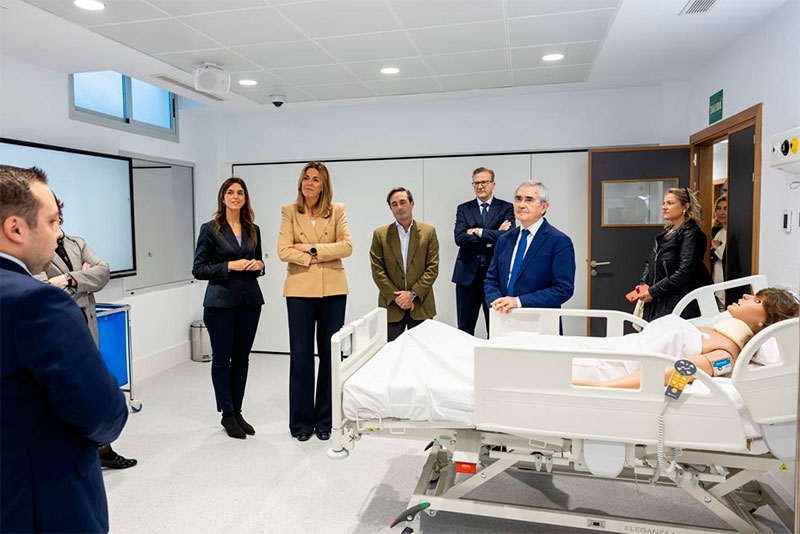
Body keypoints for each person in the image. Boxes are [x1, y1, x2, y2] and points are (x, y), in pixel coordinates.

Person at [1, 165, 128, 533]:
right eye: (52, 221)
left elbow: (102, 270)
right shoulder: (37, 303)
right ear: (16, 229)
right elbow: (104, 412)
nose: (59, 233)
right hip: (41, 501)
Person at [35, 196, 137, 469]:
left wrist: (68, 279)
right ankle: (77, 454)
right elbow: (42, 289)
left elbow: (103, 271)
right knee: (67, 388)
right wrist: (82, 279)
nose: (56, 222)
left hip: (86, 320)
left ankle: (103, 450)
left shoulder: (77, 243)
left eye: (57, 216)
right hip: (60, 325)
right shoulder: (34, 251)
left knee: (91, 386)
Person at [574, 288, 799, 389]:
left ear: (764, 323)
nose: (746, 296)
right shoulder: (715, 330)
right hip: (611, 349)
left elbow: (676, 374)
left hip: (607, 366)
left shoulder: (725, 355)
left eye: (757, 301)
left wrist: (602, 386)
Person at [278, 162, 352, 442]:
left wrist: (308, 248)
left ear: (323, 185)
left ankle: (325, 420)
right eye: (306, 178)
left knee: (330, 356)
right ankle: (301, 423)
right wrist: (322, 254)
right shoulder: (289, 211)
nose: (309, 183)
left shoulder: (337, 210)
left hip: (333, 290)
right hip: (299, 292)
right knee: (301, 357)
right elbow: (283, 250)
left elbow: (347, 246)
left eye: (315, 179)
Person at [192, 177, 265, 439]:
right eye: (231, 192)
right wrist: (228, 266)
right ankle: (227, 413)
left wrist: (260, 266)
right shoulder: (210, 229)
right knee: (222, 360)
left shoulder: (253, 229)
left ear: (245, 198)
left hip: (250, 302)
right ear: (223, 198)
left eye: (240, 193)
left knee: (242, 359)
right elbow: (199, 269)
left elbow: (259, 262)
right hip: (220, 304)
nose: (235, 196)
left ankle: (238, 410)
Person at [484, 181, 575, 314]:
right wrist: (497, 302)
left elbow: (563, 289)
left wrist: (518, 302)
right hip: (503, 316)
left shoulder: (559, 241)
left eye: (529, 200)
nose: (521, 205)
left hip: (539, 319)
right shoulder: (505, 239)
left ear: (544, 207)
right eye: (518, 199)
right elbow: (491, 279)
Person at [370, 187, 439, 342]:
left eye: (403, 202)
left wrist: (411, 294)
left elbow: (432, 268)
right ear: (390, 208)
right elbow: (377, 270)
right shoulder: (380, 235)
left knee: (423, 352)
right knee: (391, 352)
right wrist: (398, 298)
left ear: (412, 203)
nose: (399, 207)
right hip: (391, 306)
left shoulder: (428, 232)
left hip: (421, 305)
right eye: (394, 204)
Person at [633, 187, 712, 322]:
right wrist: (643, 284)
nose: (664, 207)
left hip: (679, 302)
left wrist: (653, 291)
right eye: (664, 203)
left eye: (670, 203)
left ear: (685, 207)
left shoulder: (692, 234)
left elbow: (684, 272)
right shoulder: (666, 233)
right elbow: (651, 262)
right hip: (658, 299)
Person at [452, 167, 515, 336]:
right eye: (476, 183)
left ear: (493, 184)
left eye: (484, 182)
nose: (480, 186)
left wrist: (477, 231)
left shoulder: (506, 208)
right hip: (467, 277)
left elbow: (507, 237)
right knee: (464, 329)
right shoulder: (464, 208)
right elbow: (459, 238)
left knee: (495, 328)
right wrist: (493, 237)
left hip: (494, 277)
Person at [710, 195, 728, 309]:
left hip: (727, 283)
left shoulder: (735, 233)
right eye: (718, 208)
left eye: (725, 208)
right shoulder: (717, 232)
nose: (721, 212)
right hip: (716, 280)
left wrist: (717, 247)